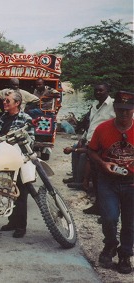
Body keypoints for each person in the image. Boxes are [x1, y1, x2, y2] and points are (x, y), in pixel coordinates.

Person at [87, 90, 133, 274]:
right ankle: (110, 245)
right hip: (108, 181)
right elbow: (91, 151)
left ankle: (125, 254)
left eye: (127, 111)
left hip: (132, 182)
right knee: (109, 217)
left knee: (130, 223)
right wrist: (103, 163)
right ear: (114, 108)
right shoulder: (103, 128)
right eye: (120, 110)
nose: (123, 114)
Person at [65, 83, 115, 215]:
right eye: (96, 90)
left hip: (103, 145)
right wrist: (84, 137)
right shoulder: (95, 105)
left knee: (103, 177)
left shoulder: (113, 105)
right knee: (95, 174)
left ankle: (104, 208)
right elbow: (92, 124)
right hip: (91, 142)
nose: (98, 93)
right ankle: (98, 205)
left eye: (101, 90)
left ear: (108, 91)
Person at [0, 90, 34, 238]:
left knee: (21, 193)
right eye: (5, 100)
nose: (5, 103)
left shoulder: (25, 118)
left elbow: (31, 139)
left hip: (20, 159)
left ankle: (21, 226)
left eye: (8, 101)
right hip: (5, 159)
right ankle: (12, 221)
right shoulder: (3, 118)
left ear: (17, 103)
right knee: (8, 191)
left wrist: (14, 143)